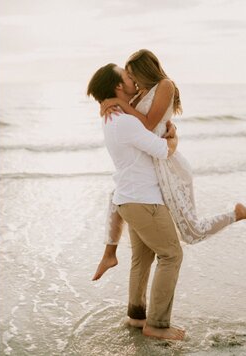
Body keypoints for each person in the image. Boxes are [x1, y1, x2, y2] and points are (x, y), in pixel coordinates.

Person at [92, 49, 246, 281]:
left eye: (131, 73)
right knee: (117, 193)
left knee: (192, 232)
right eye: (127, 75)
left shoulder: (165, 84)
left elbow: (148, 124)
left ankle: (236, 214)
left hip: (169, 166)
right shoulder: (140, 95)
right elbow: (151, 121)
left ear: (142, 69)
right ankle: (110, 254)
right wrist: (108, 103)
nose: (131, 79)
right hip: (155, 164)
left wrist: (119, 102)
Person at [87, 63, 185, 340]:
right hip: (145, 200)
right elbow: (163, 151)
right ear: (119, 86)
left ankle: (136, 316)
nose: (132, 80)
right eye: (127, 77)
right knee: (172, 255)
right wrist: (173, 138)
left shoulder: (111, 117)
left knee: (142, 258)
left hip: (130, 199)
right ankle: (157, 324)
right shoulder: (126, 121)